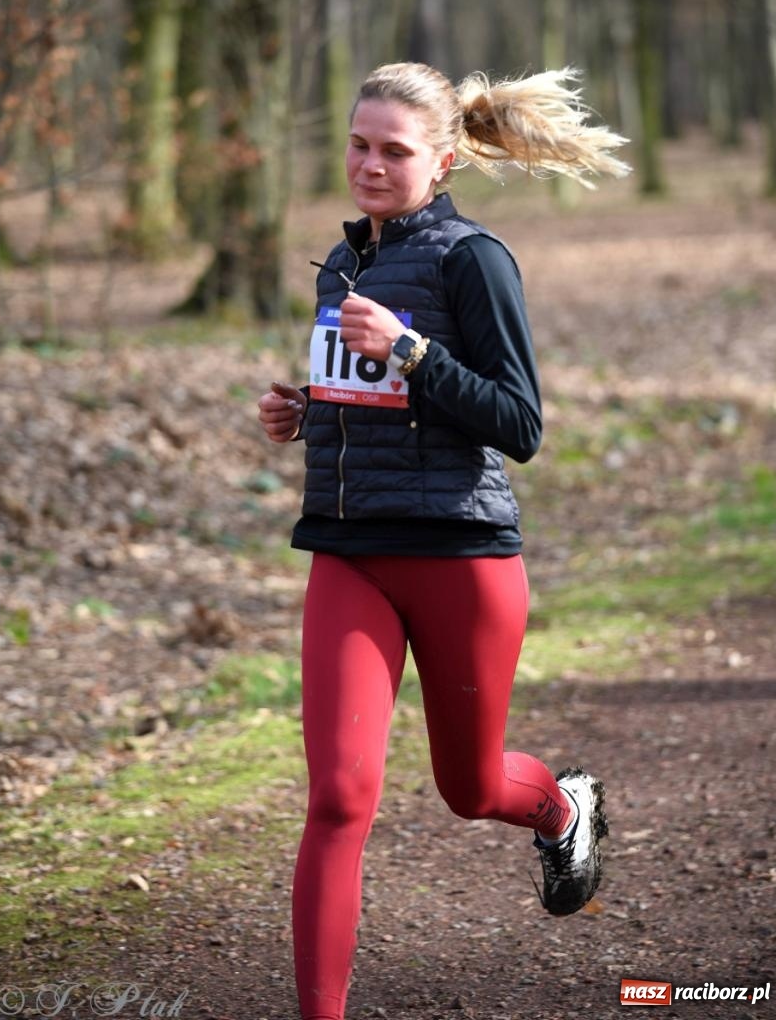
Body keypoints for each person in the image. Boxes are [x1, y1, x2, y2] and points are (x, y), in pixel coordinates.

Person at [258, 61, 629, 1020]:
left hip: (461, 559)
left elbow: (519, 423)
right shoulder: (343, 263)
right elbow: (374, 395)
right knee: (339, 800)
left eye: (393, 150)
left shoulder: (475, 259)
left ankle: (558, 808)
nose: (370, 165)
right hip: (347, 551)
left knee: (468, 788)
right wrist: (308, 411)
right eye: (357, 144)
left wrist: (414, 353)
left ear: (443, 159)